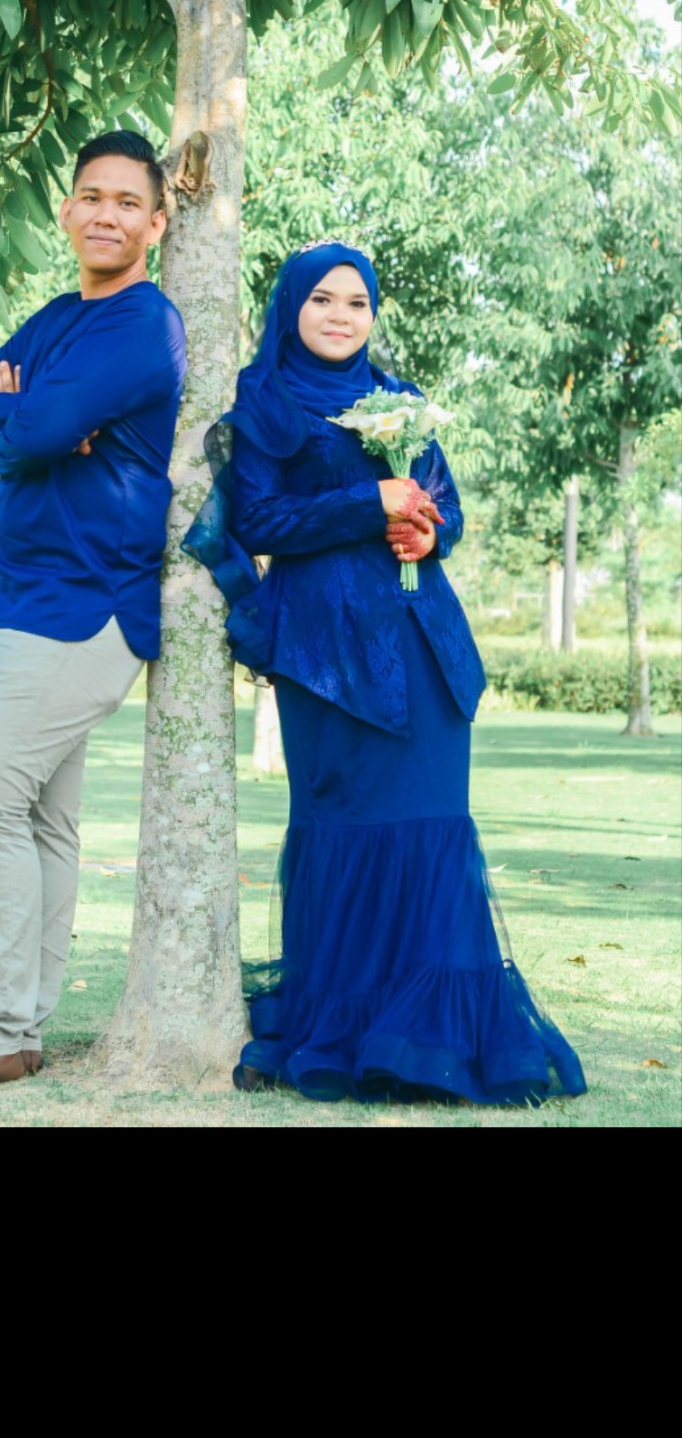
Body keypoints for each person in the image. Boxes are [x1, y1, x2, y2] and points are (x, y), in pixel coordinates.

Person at [184, 240, 586, 1106]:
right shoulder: (264, 403)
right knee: (342, 827)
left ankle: (429, 1038)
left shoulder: (399, 401)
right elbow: (259, 519)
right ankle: (345, 1028)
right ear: (290, 307)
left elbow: (447, 508)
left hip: (422, 647)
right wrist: (369, 503)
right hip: (326, 658)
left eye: (356, 302)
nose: (340, 316)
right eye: (322, 299)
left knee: (433, 828)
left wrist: (429, 530)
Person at [0, 131, 186, 1100]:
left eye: (128, 202)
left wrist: (27, 422)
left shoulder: (145, 323)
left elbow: (33, 425)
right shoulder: (58, 316)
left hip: (82, 602)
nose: (106, 214)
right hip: (25, 597)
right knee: (43, 819)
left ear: (157, 223)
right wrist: (29, 422)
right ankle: (15, 1025)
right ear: (67, 209)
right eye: (91, 195)